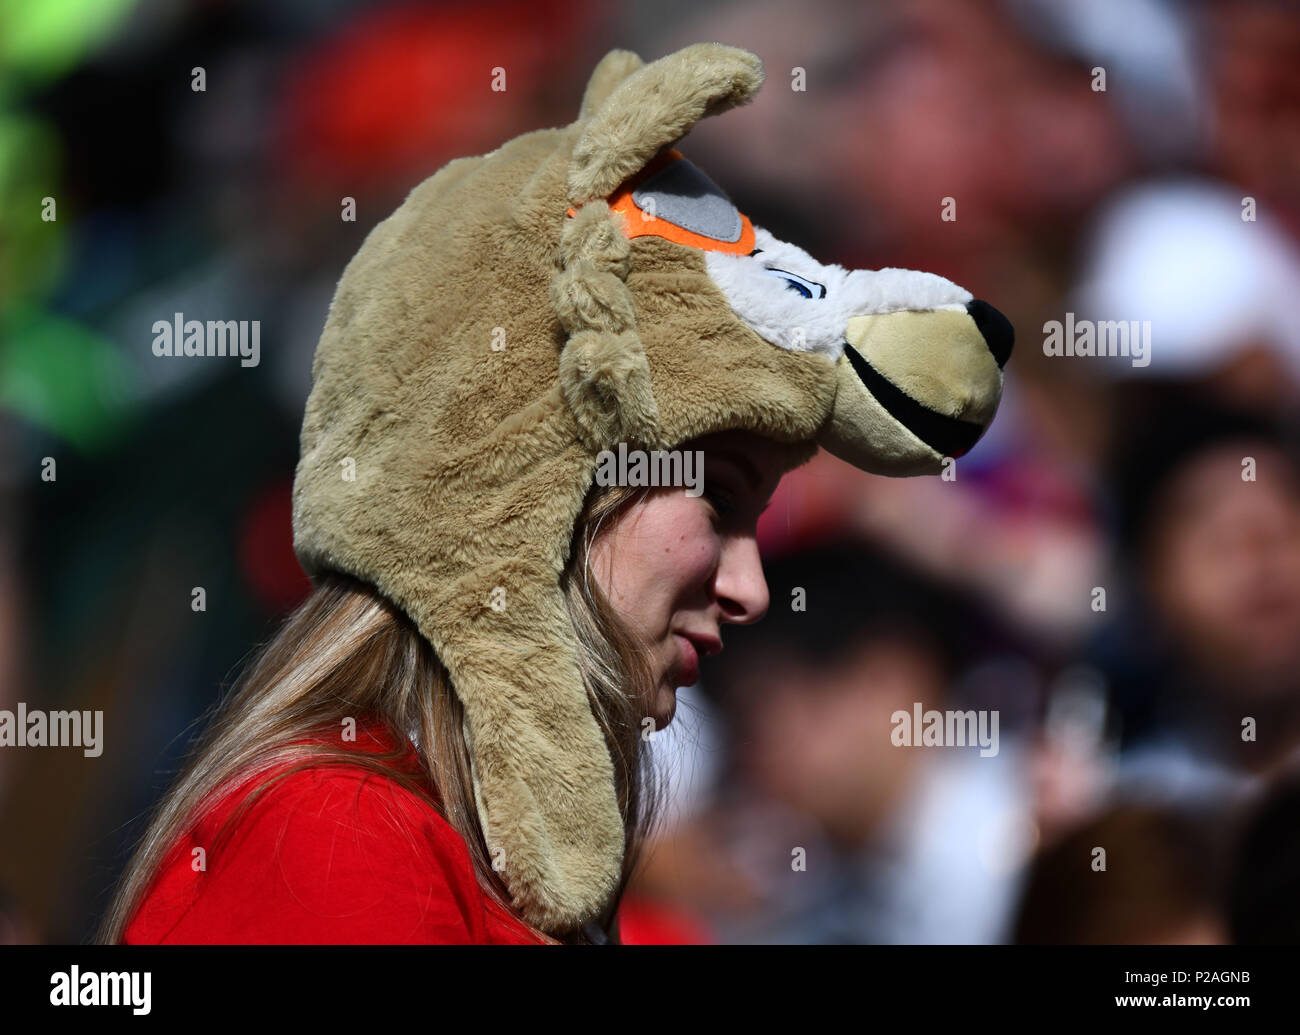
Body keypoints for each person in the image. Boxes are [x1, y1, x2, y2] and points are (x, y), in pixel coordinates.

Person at [96, 42, 1011, 945]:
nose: (752, 588)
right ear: (534, 485)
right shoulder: (333, 842)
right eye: (719, 503)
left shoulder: (453, 847)